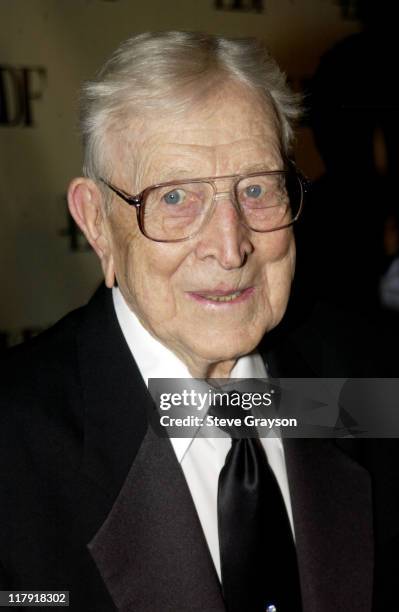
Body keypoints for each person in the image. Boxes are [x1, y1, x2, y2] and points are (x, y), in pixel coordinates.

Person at [0, 31, 398, 612]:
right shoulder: (14, 445)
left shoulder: (371, 382)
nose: (231, 247)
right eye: (175, 199)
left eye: (257, 188)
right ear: (96, 222)